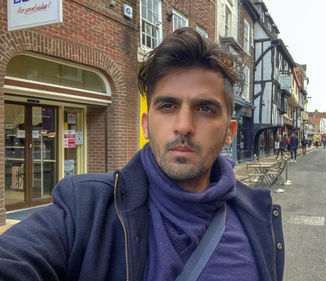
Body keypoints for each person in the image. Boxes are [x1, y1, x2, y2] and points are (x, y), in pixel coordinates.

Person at [0, 28, 284, 281]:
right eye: (168, 106)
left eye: (205, 109)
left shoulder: (257, 218)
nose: (184, 125)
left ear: (229, 132)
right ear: (146, 124)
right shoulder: (85, 211)